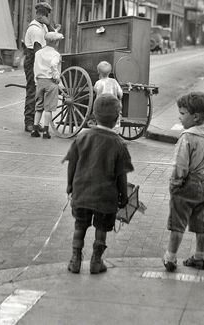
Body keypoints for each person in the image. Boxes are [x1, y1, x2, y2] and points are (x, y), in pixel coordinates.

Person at [63, 94, 134, 275]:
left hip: (82, 192)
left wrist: (70, 186)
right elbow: (121, 176)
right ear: (117, 118)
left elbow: (72, 163)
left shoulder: (82, 137)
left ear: (93, 115)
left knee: (80, 225)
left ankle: (75, 260)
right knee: (101, 228)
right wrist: (124, 197)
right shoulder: (119, 144)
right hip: (106, 197)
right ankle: (96, 261)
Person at [163, 92, 204, 273]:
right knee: (201, 222)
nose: (179, 117)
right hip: (203, 183)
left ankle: (170, 258)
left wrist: (175, 185)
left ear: (195, 116)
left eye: (182, 114)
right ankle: (199, 257)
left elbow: (180, 165)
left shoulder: (187, 137)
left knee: (178, 223)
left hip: (186, 184)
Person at [22, 2, 58, 133]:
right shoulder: (36, 29)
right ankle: (29, 123)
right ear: (43, 15)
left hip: (38, 57)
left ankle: (35, 122)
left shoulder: (42, 26)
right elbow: (38, 53)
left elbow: (54, 36)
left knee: (38, 91)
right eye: (46, 16)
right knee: (33, 90)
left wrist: (48, 24)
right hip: (34, 58)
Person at [31, 31, 64, 139]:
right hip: (50, 82)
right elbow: (53, 65)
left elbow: (35, 68)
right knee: (48, 108)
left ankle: (34, 129)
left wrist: (37, 81)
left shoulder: (38, 53)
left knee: (39, 106)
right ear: (56, 42)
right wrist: (57, 77)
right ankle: (45, 131)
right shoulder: (55, 54)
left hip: (40, 81)